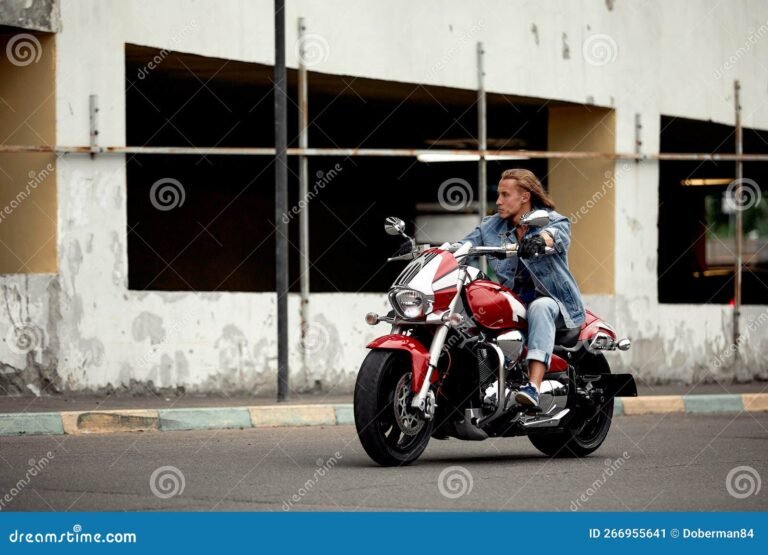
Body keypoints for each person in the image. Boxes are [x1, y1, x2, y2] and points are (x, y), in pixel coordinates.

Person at [459, 169, 586, 407]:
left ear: (525, 196)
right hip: (514, 304)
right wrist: (436, 253)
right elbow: (464, 244)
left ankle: (534, 387)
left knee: (540, 306)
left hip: (555, 303)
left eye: (505, 195)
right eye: (498, 195)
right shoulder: (491, 227)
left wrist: (540, 241)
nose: (498, 201)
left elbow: (556, 235)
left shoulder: (551, 220)